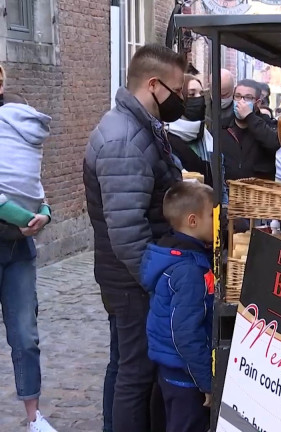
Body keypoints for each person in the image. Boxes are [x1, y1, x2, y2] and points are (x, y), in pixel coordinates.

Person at [84, 43, 186, 432]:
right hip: (131, 279)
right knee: (136, 371)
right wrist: (158, 279)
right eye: (177, 91)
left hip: (130, 274)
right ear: (153, 84)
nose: (180, 99)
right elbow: (126, 233)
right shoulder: (123, 140)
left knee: (124, 362)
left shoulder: (139, 126)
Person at [0, 93, 57, 432]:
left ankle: (33, 417)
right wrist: (18, 214)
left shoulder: (14, 126)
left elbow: (32, 184)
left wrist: (44, 213)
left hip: (18, 250)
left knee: (25, 336)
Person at [141, 181, 214, 432]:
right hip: (186, 376)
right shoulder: (189, 271)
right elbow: (186, 333)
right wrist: (207, 382)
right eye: (213, 215)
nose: (218, 221)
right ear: (193, 221)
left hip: (173, 370)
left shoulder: (175, 253)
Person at [220, 79, 281, 182]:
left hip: (258, 192)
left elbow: (274, 143)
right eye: (238, 96)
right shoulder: (223, 126)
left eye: (248, 98)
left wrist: (249, 116)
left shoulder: (266, 124)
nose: (241, 102)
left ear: (257, 103)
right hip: (229, 190)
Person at [167, 74, 213, 186]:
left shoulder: (207, 133)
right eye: (192, 94)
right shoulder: (165, 136)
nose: (199, 98)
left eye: (201, 93)